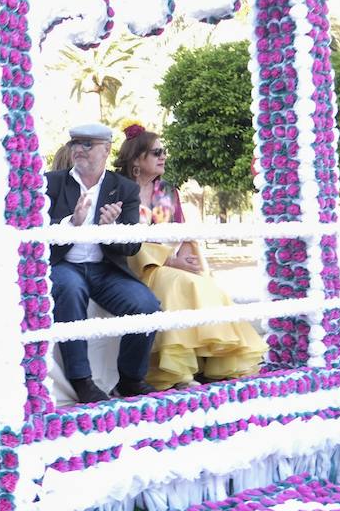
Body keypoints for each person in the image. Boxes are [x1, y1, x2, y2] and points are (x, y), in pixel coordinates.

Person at [114, 125, 266, 389]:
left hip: (169, 262)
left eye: (164, 152)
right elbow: (121, 240)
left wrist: (188, 260)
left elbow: (182, 232)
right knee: (180, 283)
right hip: (135, 265)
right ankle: (177, 374)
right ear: (137, 159)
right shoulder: (118, 189)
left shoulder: (167, 192)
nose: (163, 157)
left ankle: (213, 362)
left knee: (202, 282)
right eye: (156, 152)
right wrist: (170, 261)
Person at [46, 122, 160, 403]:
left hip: (105, 270)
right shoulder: (51, 183)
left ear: (107, 150)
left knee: (146, 305)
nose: (79, 150)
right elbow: (37, 234)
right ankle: (81, 380)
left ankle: (131, 378)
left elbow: (132, 246)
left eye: (88, 144)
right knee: (69, 288)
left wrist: (111, 229)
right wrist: (72, 223)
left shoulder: (124, 189)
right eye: (76, 144)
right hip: (64, 265)